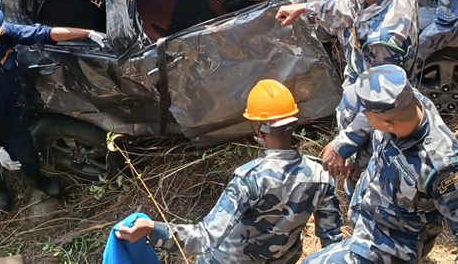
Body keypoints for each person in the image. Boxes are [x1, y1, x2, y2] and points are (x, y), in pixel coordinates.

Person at [114, 79, 343, 264]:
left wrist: (152, 230)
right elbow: (332, 243)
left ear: (257, 127)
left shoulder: (249, 180)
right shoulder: (321, 175)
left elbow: (204, 239)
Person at [304, 64, 458, 264]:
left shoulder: (440, 166)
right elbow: (370, 118)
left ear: (387, 125)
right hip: (369, 223)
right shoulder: (407, 102)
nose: (362, 116)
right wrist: (343, 144)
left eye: (365, 112)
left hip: (391, 249)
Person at [275, 0, 418, 180]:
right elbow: (351, 7)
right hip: (363, 101)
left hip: (374, 123)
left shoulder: (382, 39)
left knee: (361, 174)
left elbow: (381, 102)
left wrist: (345, 144)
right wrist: (306, 9)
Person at [0, 9, 108, 209]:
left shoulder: (1, 37)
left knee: (28, 156)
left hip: (10, 116)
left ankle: (36, 179)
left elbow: (42, 33)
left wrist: (87, 33)